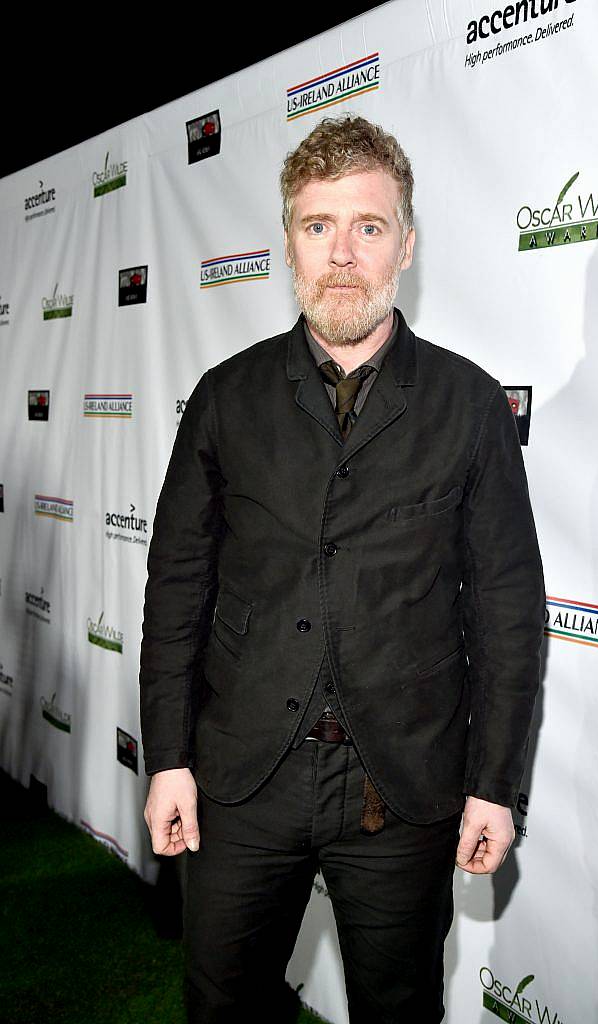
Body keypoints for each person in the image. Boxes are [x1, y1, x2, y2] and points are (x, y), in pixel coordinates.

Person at [140, 114, 545, 1024]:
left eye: (368, 226)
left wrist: (496, 782)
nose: (343, 253)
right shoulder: (223, 398)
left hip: (402, 784)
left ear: (406, 245)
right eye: (319, 226)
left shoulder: (471, 404)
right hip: (242, 776)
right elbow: (176, 594)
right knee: (222, 1005)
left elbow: (508, 612)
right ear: (289, 244)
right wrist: (167, 759)